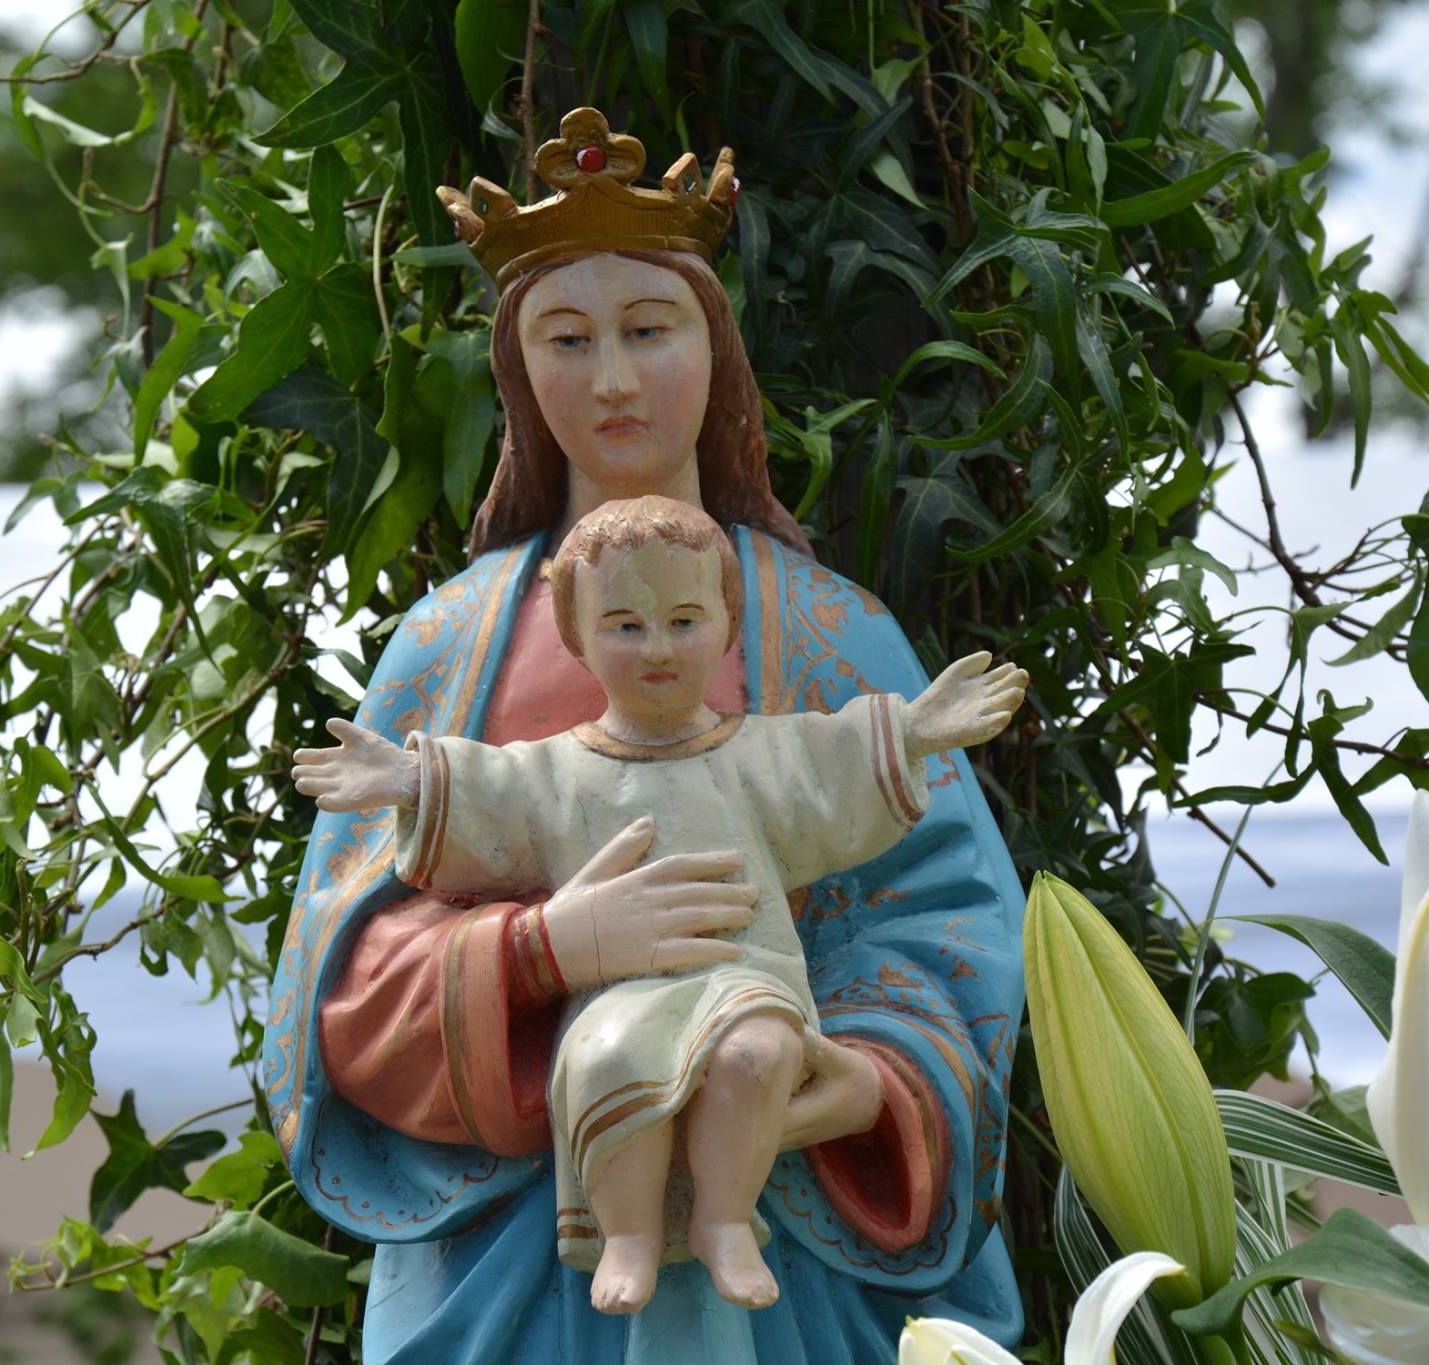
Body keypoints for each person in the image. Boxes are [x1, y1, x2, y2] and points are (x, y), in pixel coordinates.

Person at [260, 107, 1030, 1363]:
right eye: (568, 340)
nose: (612, 380)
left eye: (649, 330)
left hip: (790, 1233)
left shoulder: (834, 637)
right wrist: (538, 952)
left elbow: (948, 923)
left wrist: (863, 1085)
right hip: (516, 1257)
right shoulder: (447, 646)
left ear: (714, 355)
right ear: (519, 376)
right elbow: (338, 973)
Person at [289, 496, 1028, 1316]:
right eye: (626, 627)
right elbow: (492, 795)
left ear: (725, 619)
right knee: (604, 1062)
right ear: (579, 637)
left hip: (747, 984)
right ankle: (627, 1235)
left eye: (684, 620)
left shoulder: (768, 727)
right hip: (616, 1015)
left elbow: (834, 766)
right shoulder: (541, 741)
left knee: (754, 1056)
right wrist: (526, 928)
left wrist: (914, 730)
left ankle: (723, 1219)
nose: (614, 380)